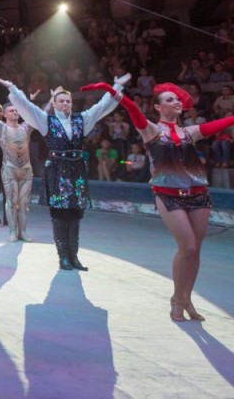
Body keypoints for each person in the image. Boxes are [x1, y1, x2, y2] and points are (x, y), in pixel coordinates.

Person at [81, 81, 234, 321]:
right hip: (168, 195)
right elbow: (133, 109)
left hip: (198, 195)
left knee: (195, 250)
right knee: (188, 247)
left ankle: (187, 299)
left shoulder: (190, 132)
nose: (176, 102)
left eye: (178, 99)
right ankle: (177, 299)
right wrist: (113, 92)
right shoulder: (151, 130)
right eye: (169, 99)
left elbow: (222, 123)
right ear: (158, 107)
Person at [0, 74, 128, 272]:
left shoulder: (81, 119)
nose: (65, 104)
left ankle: (73, 256)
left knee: (76, 213)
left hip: (77, 169)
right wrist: (13, 89)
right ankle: (63, 257)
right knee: (60, 213)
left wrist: (116, 86)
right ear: (54, 104)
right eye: (61, 101)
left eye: (68, 101)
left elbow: (101, 107)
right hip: (57, 170)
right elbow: (28, 108)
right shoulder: (46, 121)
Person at [0, 96, 34, 241]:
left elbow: (36, 114)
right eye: (11, 111)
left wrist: (49, 101)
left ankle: (23, 232)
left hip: (26, 170)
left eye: (16, 110)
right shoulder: (1, 127)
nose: (15, 112)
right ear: (4, 114)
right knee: (11, 201)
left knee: (24, 203)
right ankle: (12, 231)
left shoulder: (25, 127)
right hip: (9, 168)